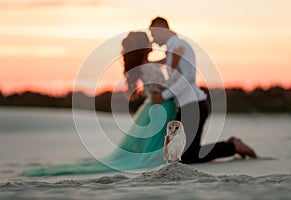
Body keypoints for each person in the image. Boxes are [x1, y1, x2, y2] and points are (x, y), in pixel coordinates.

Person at [21, 31, 177, 176]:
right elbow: (159, 86)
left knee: (151, 139)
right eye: (148, 42)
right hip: (160, 105)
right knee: (155, 140)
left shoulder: (144, 66)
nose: (151, 44)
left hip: (153, 105)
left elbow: (158, 66)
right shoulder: (148, 67)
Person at [149, 16, 257, 163]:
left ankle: (233, 146)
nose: (153, 39)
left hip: (194, 105)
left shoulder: (181, 46)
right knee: (181, 154)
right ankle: (230, 144)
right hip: (185, 106)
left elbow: (189, 77)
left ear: (161, 29)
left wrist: (164, 95)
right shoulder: (171, 50)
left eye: (153, 34)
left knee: (188, 156)